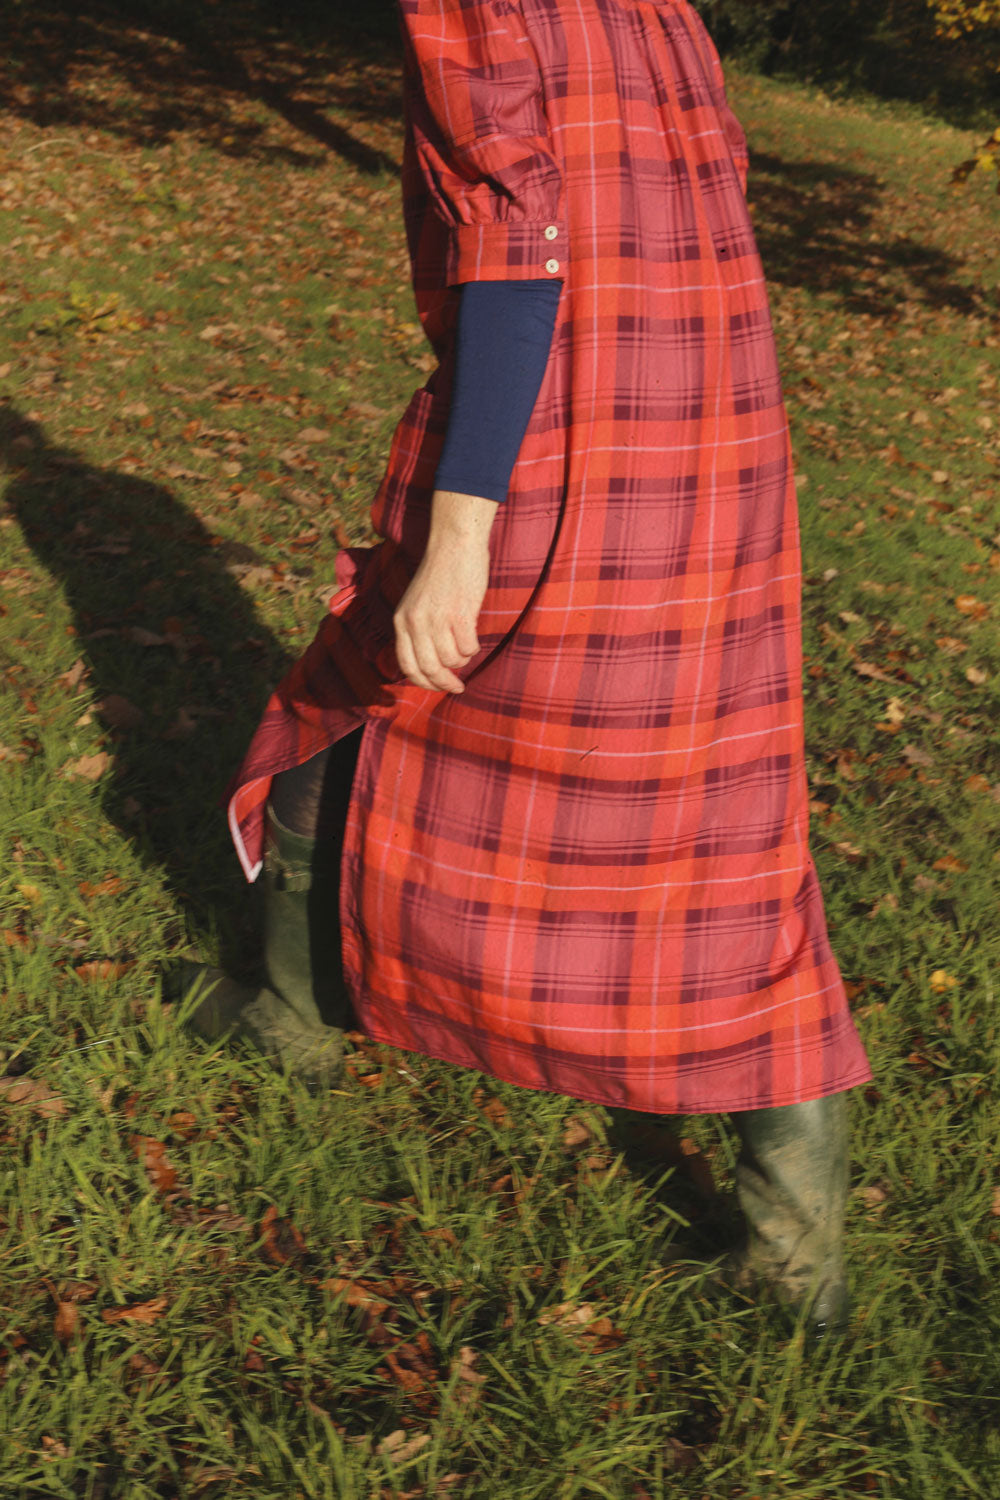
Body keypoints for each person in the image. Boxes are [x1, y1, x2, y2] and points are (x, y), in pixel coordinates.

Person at [182, 0, 873, 1334]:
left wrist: (460, 527)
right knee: (734, 843)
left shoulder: (484, 10)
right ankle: (798, 1259)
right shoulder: (660, 11)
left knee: (351, 706)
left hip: (561, 460)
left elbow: (516, 257)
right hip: (714, 454)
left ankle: (290, 1018)